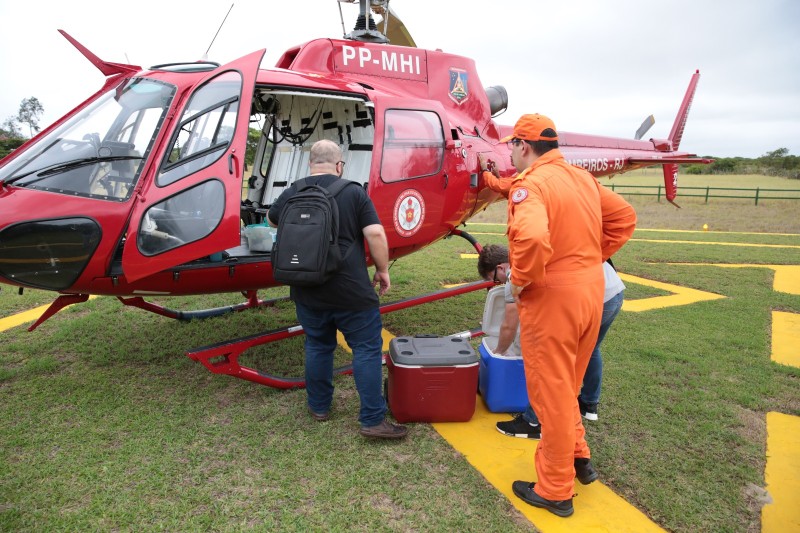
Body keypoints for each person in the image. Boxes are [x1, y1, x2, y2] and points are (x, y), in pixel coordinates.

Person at [483, 114, 636, 517]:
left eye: (512, 145)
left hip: (554, 301)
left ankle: (554, 490)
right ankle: (579, 456)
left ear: (523, 146)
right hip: (591, 292)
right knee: (567, 386)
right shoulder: (580, 177)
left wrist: (523, 281)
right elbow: (623, 217)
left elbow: (532, 237)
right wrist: (587, 260)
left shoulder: (530, 186)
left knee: (550, 396)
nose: (510, 152)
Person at [268, 139, 407, 440]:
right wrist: (382, 270)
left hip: (307, 287)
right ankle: (372, 419)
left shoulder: (294, 190)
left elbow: (271, 218)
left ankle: (319, 407)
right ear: (339, 165)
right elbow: (375, 233)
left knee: (318, 345)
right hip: (351, 291)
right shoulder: (353, 192)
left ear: (311, 163)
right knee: (367, 350)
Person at [477, 244, 625, 441]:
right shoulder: (541, 246)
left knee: (551, 358)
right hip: (612, 293)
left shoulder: (515, 273)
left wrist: (499, 351)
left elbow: (509, 325)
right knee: (590, 350)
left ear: (502, 267)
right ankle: (589, 404)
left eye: (495, 278)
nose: (497, 283)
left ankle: (533, 421)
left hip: (588, 296)